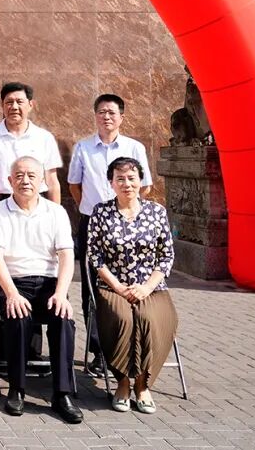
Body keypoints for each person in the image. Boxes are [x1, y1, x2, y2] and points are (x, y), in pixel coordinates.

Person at [0, 157, 83, 424]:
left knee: (62, 319)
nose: (25, 181)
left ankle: (62, 394)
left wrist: (61, 293)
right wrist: (12, 293)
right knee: (18, 317)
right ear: (9, 181)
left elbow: (66, 255)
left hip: (49, 283)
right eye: (19, 175)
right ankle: (16, 389)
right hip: (12, 282)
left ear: (42, 181)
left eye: (31, 176)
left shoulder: (56, 212)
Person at [67, 94, 152, 375]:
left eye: (112, 112)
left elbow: (145, 187)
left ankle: (130, 346)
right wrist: (93, 211)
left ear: (121, 117)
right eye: (102, 112)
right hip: (93, 223)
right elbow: (74, 185)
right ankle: (99, 352)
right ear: (95, 115)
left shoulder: (134, 148)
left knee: (130, 283)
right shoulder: (83, 148)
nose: (106, 117)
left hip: (129, 224)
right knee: (93, 288)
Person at [87, 156, 177, 414]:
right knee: (123, 319)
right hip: (112, 287)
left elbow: (166, 256)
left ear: (140, 181)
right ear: (111, 183)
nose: (126, 184)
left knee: (150, 319)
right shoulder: (100, 212)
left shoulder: (156, 212)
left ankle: (143, 384)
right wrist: (117, 287)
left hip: (151, 287)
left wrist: (146, 287)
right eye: (120, 179)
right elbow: (95, 256)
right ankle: (123, 383)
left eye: (131, 178)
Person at [0, 82, 63, 243]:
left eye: (19, 102)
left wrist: (56, 219)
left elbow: (52, 182)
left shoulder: (44, 138)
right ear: (2, 106)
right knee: (0, 255)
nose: (14, 107)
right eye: (9, 102)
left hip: (37, 207)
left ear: (30, 105)